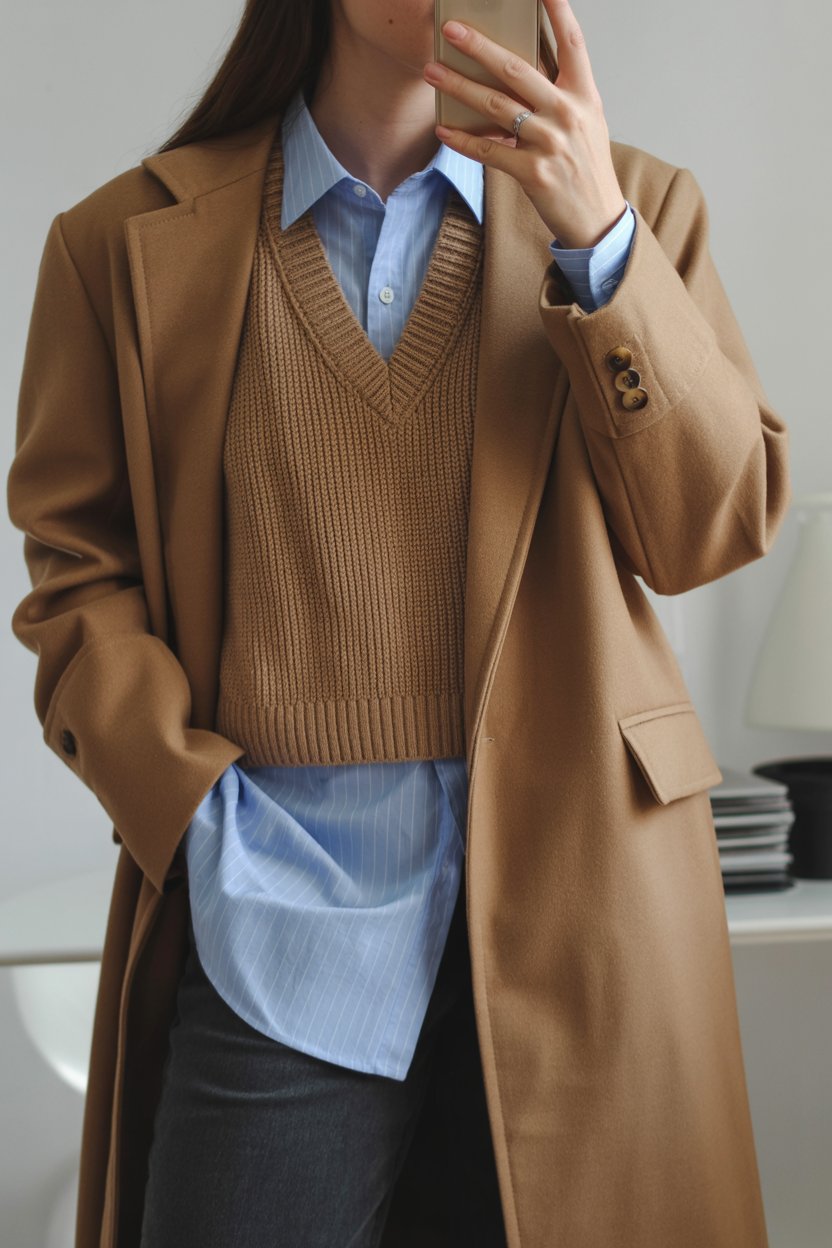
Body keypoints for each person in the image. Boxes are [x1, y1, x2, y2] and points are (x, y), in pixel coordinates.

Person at [6, 1, 791, 1246]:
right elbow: (76, 575)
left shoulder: (633, 210)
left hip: (577, 904)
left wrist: (598, 242)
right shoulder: (122, 243)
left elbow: (709, 529)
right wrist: (196, 819)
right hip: (272, 915)